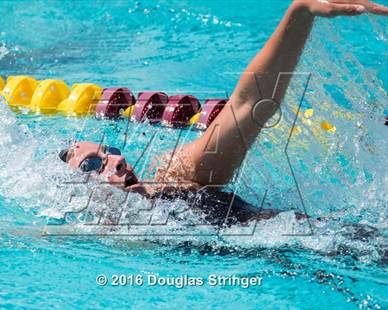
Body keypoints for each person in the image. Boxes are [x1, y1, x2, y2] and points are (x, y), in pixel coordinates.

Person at [59, 0, 387, 226]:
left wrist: (299, 13)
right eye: (93, 164)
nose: (117, 160)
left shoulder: (178, 175)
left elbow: (249, 104)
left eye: (111, 151)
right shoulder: (101, 236)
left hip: (348, 247)